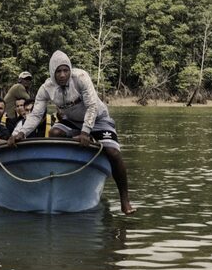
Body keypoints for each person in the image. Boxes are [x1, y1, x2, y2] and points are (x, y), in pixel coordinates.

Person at [8, 50, 135, 214]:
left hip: (98, 118)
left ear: (70, 70)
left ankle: (125, 200)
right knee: (54, 133)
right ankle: (65, 181)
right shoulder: (46, 88)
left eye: (65, 70)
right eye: (58, 71)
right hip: (72, 120)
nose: (62, 75)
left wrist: (85, 132)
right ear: (52, 72)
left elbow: (92, 106)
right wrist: (21, 133)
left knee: (113, 152)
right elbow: (36, 115)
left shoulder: (81, 77)